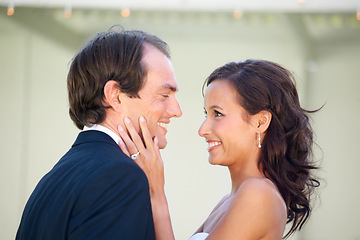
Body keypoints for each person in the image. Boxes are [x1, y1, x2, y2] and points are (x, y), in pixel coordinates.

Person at [118, 59, 320, 240]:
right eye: (206, 113)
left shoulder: (259, 194)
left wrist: (156, 191)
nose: (202, 130)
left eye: (218, 114)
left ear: (261, 122)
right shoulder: (230, 200)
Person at [16, 28, 182, 240]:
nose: (177, 110)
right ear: (114, 95)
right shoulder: (120, 176)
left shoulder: (51, 180)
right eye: (164, 94)